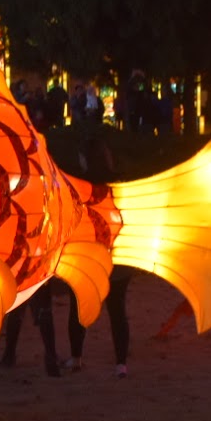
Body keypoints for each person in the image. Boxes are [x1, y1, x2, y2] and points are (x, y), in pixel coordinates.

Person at [62, 133, 131, 377]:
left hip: (88, 259)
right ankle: (121, 364)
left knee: (78, 308)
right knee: (117, 311)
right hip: (116, 258)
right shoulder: (119, 184)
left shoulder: (78, 186)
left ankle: (76, 357)